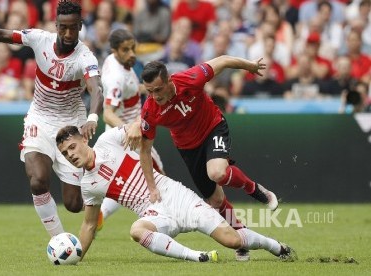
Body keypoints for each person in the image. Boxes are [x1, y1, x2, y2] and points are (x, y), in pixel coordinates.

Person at [0, 0, 104, 237]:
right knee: (38, 180)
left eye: (74, 27)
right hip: (39, 119)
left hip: (71, 125)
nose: (68, 33)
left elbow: (96, 89)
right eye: (63, 27)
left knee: (73, 204)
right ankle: (59, 240)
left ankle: (97, 206)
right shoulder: (40, 38)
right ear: (56, 24)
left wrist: (93, 117)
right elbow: (2, 34)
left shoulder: (86, 57)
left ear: (81, 26)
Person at [55, 124, 296, 262]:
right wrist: (76, 257)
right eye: (66, 154)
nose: (71, 154)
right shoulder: (88, 185)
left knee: (232, 240)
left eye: (72, 147)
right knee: (137, 230)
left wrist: (138, 127)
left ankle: (275, 246)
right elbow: (88, 225)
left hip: (175, 196)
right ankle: (196, 256)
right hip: (153, 213)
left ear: (84, 140)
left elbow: (140, 125)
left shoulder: (108, 140)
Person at [134, 56, 279, 261]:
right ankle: (241, 238)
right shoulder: (150, 110)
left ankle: (253, 189)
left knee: (217, 172)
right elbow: (145, 150)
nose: (154, 96)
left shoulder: (190, 78)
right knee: (216, 200)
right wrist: (151, 187)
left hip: (213, 128)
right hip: (188, 148)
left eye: (158, 89)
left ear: (169, 81)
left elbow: (224, 60)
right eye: (149, 91)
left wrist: (250, 66)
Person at [98, 28, 164, 230]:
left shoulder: (113, 60)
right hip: (130, 136)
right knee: (158, 177)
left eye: (132, 48)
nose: (132, 54)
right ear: (114, 50)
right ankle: (164, 219)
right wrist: (129, 130)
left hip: (120, 133)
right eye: (126, 50)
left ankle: (101, 214)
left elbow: (131, 92)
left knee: (127, 181)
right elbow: (108, 113)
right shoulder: (116, 78)